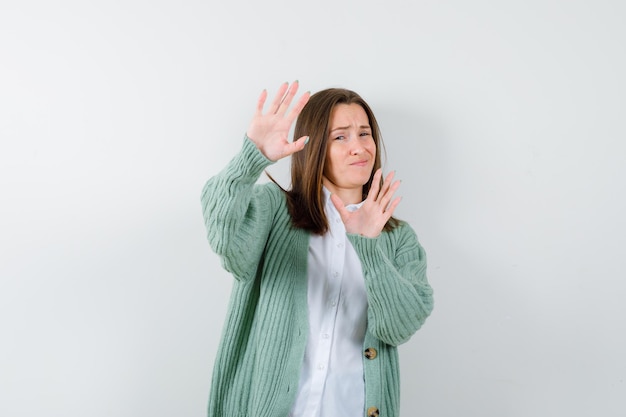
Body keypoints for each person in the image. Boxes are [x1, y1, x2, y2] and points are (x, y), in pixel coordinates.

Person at [201, 81, 433, 417]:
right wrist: (251, 158)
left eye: (364, 134)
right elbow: (223, 234)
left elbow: (399, 326)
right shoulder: (273, 211)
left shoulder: (398, 238)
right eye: (341, 136)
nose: (359, 147)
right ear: (314, 147)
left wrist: (368, 247)